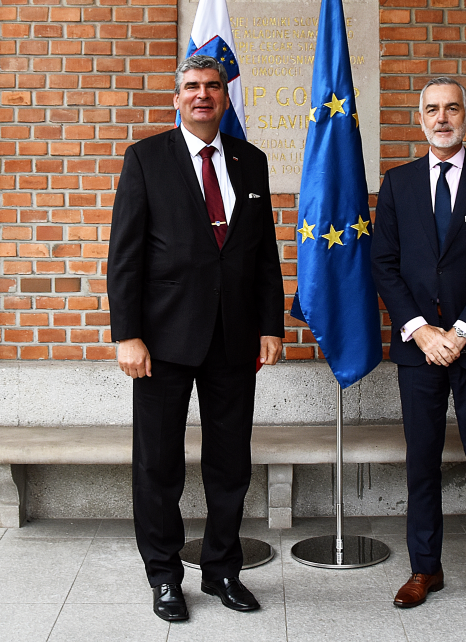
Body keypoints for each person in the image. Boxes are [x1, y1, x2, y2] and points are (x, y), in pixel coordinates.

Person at [107, 55, 284, 622]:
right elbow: (125, 259)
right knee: (158, 464)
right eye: (191, 87)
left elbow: (264, 256)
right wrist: (127, 336)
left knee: (229, 463)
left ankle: (222, 571)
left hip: (234, 341)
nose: (202, 95)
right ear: (176, 98)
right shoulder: (146, 158)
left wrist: (270, 325)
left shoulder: (250, 161)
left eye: (212, 87)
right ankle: (164, 576)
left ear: (226, 98)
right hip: (162, 343)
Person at [370, 76, 466, 614]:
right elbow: (385, 265)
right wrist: (422, 329)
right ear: (420, 119)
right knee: (422, 462)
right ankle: (424, 568)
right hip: (418, 348)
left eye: (451, 108)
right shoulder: (398, 183)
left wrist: (460, 333)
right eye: (431, 109)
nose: (441, 118)